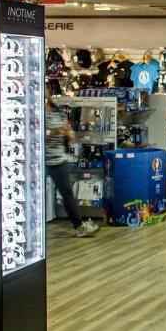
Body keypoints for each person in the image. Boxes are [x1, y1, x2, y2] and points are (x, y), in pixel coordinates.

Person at [45, 81, 98, 237]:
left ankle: (79, 225)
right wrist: (54, 132)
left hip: (58, 158)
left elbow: (66, 130)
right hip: (41, 160)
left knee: (67, 192)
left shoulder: (56, 110)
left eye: (47, 89)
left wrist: (68, 134)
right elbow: (36, 134)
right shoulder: (35, 111)